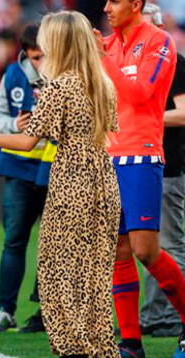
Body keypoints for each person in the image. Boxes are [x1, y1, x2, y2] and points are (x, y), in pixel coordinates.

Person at [0, 11, 120, 358]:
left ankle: (73, 347)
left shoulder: (58, 86)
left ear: (58, 43)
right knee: (93, 271)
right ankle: (99, 346)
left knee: (58, 270)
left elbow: (27, 141)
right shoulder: (102, 82)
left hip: (70, 180)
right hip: (103, 179)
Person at [95, 0, 185, 356]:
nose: (106, 7)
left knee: (145, 250)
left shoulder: (158, 41)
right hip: (109, 155)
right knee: (118, 251)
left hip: (142, 154)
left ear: (136, 5)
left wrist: (100, 57)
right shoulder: (109, 43)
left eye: (115, 1)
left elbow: (140, 94)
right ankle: (131, 342)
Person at [0, 24, 53, 334]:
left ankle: (47, 310)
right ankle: (4, 310)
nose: (41, 63)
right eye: (35, 57)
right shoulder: (13, 75)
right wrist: (13, 124)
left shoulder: (64, 74)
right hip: (17, 167)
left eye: (45, 56)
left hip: (54, 167)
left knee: (53, 243)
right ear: (25, 53)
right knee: (13, 239)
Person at [138, 3, 185, 339]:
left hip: (169, 164)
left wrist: (142, 117)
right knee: (144, 246)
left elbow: (182, 113)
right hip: (139, 163)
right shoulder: (133, 64)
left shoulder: (176, 62)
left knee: (169, 243)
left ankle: (168, 317)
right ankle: (153, 316)